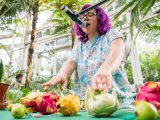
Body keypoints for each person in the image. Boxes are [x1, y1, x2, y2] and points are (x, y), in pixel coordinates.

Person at [43, 4, 134, 109]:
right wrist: (61, 75)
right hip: (91, 106)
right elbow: (71, 62)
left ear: (100, 18)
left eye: (90, 14)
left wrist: (106, 69)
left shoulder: (110, 34)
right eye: (82, 16)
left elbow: (117, 50)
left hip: (119, 103)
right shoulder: (79, 46)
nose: (84, 17)